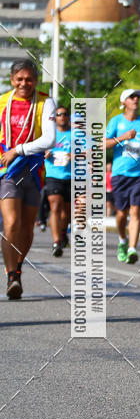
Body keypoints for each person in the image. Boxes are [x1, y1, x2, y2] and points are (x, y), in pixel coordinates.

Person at [0, 58, 56, 299]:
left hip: (33, 170)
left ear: (36, 80)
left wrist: (18, 150)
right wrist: (8, 153)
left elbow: (49, 139)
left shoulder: (46, 102)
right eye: (19, 79)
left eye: (29, 79)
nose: (24, 83)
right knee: (10, 223)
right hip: (7, 171)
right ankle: (12, 275)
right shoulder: (2, 101)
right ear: (12, 80)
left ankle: (19, 267)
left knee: (26, 228)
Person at [105, 89, 140, 264]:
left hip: (139, 174)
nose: (135, 100)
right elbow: (104, 144)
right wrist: (123, 137)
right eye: (132, 97)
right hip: (120, 174)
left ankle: (132, 248)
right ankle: (123, 240)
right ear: (124, 102)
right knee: (121, 214)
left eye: (137, 97)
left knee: (135, 212)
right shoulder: (116, 121)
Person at [44, 105, 71, 256]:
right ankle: (56, 242)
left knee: (66, 212)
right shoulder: (49, 135)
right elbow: (39, 151)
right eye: (59, 114)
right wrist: (45, 153)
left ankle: (62, 232)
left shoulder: (75, 135)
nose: (62, 116)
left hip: (70, 176)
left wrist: (74, 156)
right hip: (53, 175)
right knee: (55, 206)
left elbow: (88, 151)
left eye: (65, 114)